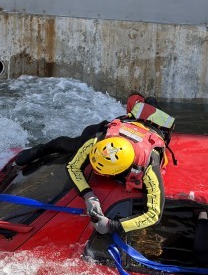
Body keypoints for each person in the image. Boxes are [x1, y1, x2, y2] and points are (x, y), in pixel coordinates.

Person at [15, 94, 174, 237]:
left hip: (151, 132)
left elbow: (154, 214)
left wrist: (112, 225)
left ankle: (151, 103)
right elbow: (73, 166)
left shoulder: (149, 167)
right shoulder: (98, 140)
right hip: (126, 125)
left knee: (152, 110)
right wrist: (89, 196)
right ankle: (41, 149)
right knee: (73, 145)